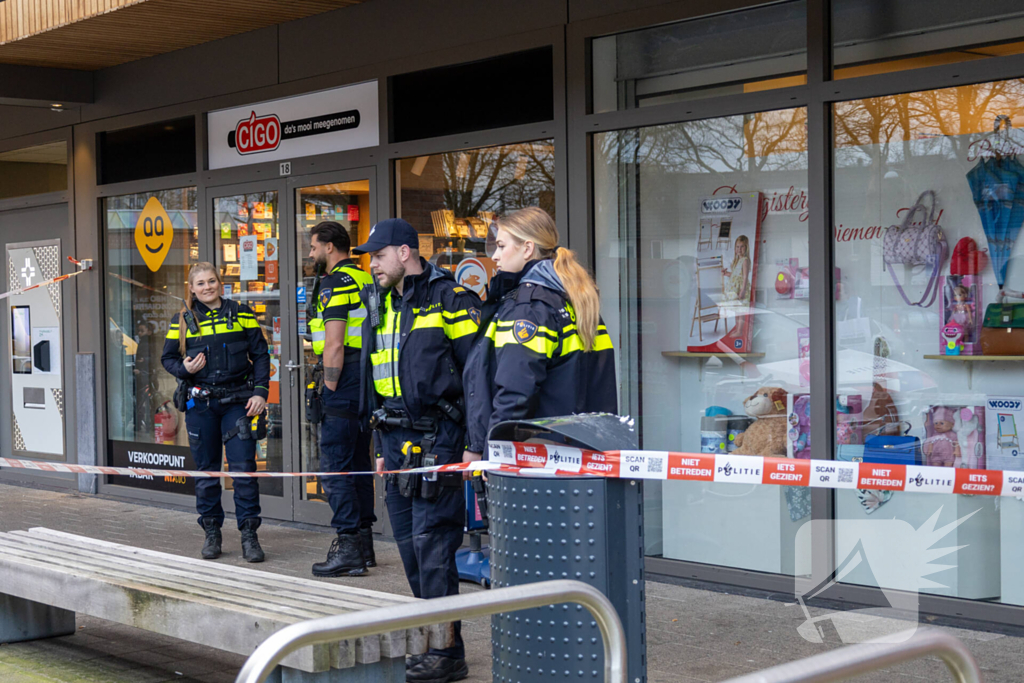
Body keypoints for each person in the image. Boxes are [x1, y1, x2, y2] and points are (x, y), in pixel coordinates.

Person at [355, 218, 480, 683]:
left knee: (434, 548)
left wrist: (474, 444)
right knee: (409, 548)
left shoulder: (450, 299)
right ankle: (433, 640)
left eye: (378, 256)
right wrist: (380, 445)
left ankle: (446, 654)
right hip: (394, 440)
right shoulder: (383, 303)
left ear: (404, 252)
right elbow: (379, 377)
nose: (372, 265)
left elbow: (476, 376)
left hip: (438, 439)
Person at [462, 206, 617, 465]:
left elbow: (514, 394)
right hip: (582, 453)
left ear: (527, 249)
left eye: (501, 246)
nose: (495, 256)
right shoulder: (573, 297)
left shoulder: (530, 307)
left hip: (538, 459)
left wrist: (494, 454)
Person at [162, 262, 270, 562]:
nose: (207, 287)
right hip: (201, 406)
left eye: (212, 281)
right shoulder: (182, 320)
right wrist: (183, 368)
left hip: (238, 403)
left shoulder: (242, 313)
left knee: (244, 471)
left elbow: (261, 354)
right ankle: (212, 533)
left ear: (220, 284)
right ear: (192, 288)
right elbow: (167, 358)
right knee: (207, 473)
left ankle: (249, 535)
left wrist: (261, 392)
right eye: (201, 283)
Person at [307, 221, 378, 577]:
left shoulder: (334, 283)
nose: (311, 253)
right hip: (369, 379)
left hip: (344, 377)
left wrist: (329, 388)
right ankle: (364, 546)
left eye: (313, 247)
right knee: (359, 464)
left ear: (330, 247)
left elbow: (334, 342)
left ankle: (348, 546)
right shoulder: (367, 278)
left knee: (335, 468)